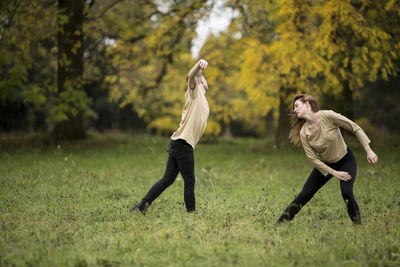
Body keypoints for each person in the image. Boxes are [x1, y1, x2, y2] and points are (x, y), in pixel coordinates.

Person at [277, 94, 378, 224]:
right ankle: (280, 223)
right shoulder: (304, 132)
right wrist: (333, 172)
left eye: (297, 106)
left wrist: (368, 150)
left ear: (307, 103)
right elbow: (313, 159)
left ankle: (358, 224)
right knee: (304, 194)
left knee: (347, 192)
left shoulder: (328, 116)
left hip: (345, 159)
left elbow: (354, 127)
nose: (294, 110)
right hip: (325, 164)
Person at [130, 59, 210, 214]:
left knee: (168, 179)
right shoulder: (195, 93)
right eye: (204, 78)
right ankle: (191, 214)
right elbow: (190, 75)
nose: (207, 81)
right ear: (201, 81)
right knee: (189, 181)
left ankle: (142, 205)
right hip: (183, 143)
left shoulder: (202, 97)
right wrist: (199, 64)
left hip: (178, 142)